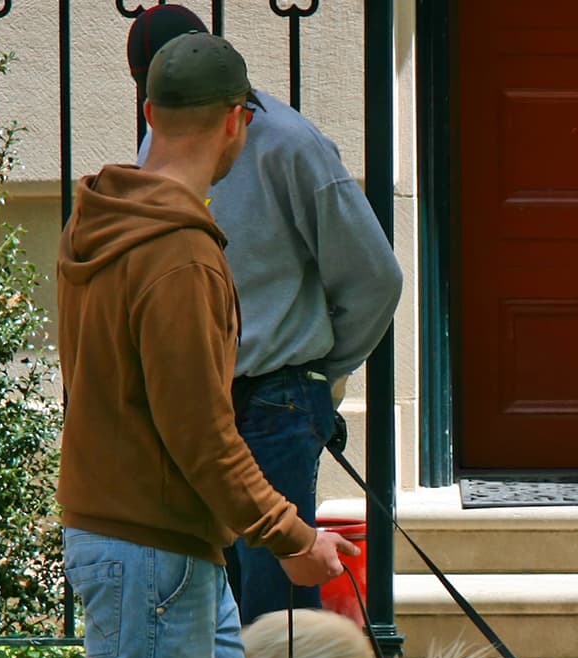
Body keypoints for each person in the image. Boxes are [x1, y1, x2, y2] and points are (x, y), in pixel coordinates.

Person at [40, 31, 357, 658]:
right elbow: (199, 430)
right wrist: (290, 534)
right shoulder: (179, 252)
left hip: (165, 550)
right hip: (155, 556)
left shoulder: (104, 218)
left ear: (148, 113)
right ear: (235, 124)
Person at [126, 5, 402, 624]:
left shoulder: (291, 143)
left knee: (275, 617)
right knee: (208, 606)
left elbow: (375, 276)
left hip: (277, 396)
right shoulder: (157, 144)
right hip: (203, 398)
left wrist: (320, 372)